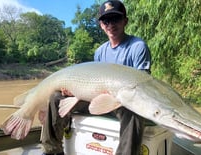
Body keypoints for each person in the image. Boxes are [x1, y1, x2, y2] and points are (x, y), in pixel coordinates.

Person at [41, 1, 151, 155]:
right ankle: (52, 150)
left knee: (133, 110)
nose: (111, 24)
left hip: (121, 103)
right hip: (98, 100)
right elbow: (92, 84)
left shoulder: (137, 46)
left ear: (125, 21)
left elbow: (143, 85)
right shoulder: (100, 52)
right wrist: (74, 92)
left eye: (115, 19)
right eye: (106, 21)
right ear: (101, 25)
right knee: (56, 97)